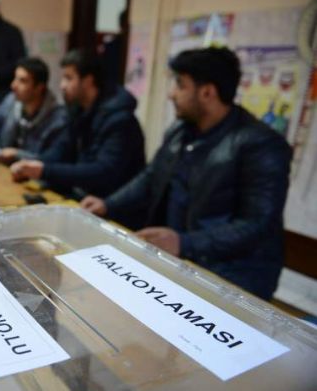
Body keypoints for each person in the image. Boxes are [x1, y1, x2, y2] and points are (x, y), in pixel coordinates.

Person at [81, 47, 292, 300]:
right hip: (180, 260)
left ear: (207, 92)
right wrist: (108, 204)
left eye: (180, 85)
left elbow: (256, 224)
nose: (172, 94)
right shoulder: (181, 131)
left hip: (232, 275)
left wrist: (184, 243)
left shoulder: (261, 145)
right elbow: (151, 177)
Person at [11, 49, 145, 227]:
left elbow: (103, 172)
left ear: (88, 81)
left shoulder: (120, 120)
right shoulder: (78, 109)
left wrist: (44, 170)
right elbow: (61, 149)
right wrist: (34, 165)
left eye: (69, 78)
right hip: (84, 201)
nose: (62, 85)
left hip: (113, 212)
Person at [0, 57, 66, 164]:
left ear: (39, 87)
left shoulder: (58, 119)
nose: (13, 86)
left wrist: (16, 154)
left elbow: (49, 160)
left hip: (33, 173)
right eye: (15, 78)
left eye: (22, 81)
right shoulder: (12, 101)